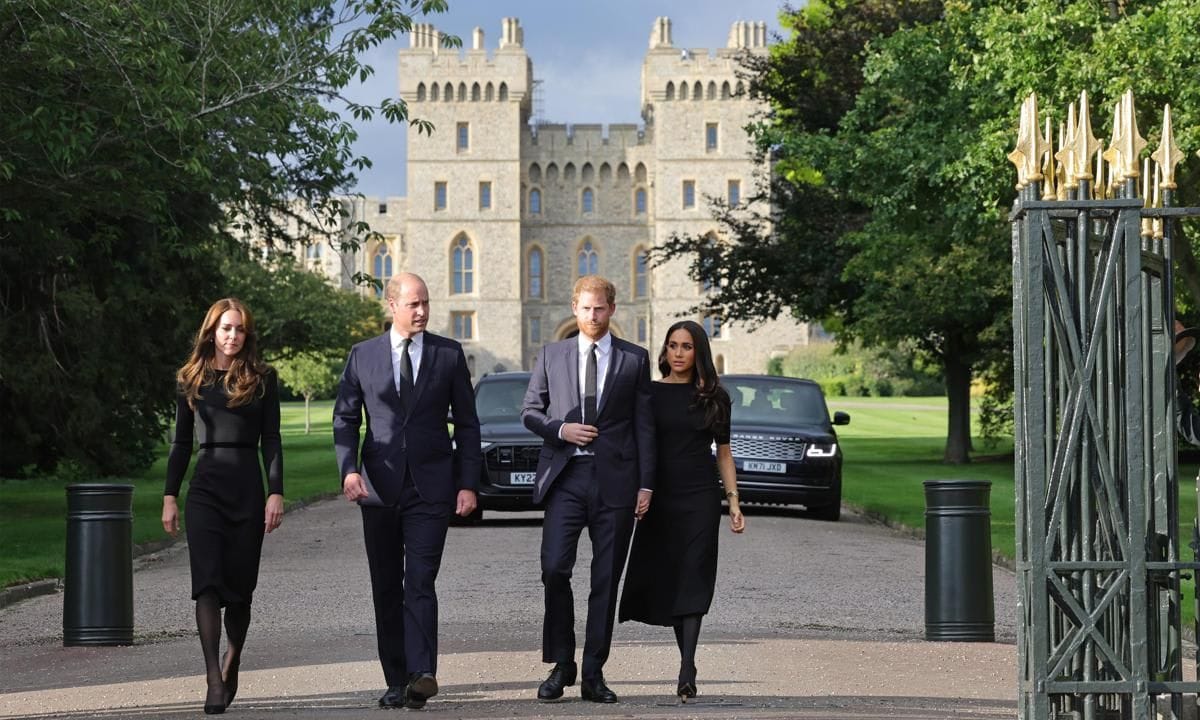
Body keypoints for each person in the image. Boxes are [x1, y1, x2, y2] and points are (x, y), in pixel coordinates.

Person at [333, 272, 482, 710]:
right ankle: (396, 679)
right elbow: (345, 419)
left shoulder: (448, 355)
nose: (421, 311)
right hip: (378, 489)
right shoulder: (363, 356)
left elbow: (468, 425)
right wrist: (347, 470)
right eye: (413, 304)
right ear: (392, 306)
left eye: (426, 303)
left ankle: (422, 673)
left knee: (419, 579)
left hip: (432, 488)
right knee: (385, 585)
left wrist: (468, 483)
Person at [521, 274, 656, 704]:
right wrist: (561, 428)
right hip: (566, 479)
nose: (593, 316)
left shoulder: (635, 359)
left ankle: (595, 671)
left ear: (612, 310)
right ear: (574, 308)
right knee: (555, 568)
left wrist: (647, 484)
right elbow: (530, 411)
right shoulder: (552, 354)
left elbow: (644, 426)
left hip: (616, 482)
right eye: (585, 308)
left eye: (600, 308)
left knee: (605, 579)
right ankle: (563, 663)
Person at [162, 298, 284, 715]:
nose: (233, 336)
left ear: (247, 335)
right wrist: (169, 496)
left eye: (240, 330)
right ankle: (213, 677)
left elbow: (272, 440)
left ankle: (233, 661)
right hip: (206, 491)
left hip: (247, 488)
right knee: (208, 584)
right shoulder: (190, 379)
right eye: (226, 328)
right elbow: (180, 444)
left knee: (241, 590)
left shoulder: (263, 379)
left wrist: (275, 491)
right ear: (212, 330)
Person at [618, 319, 745, 703]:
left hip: (700, 498)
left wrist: (734, 501)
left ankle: (687, 665)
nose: (677, 353)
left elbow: (724, 452)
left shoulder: (715, 397)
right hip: (660, 497)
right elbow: (637, 445)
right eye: (673, 345)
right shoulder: (650, 393)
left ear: (698, 352)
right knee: (671, 576)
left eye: (686, 347)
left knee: (694, 573)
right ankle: (686, 660)